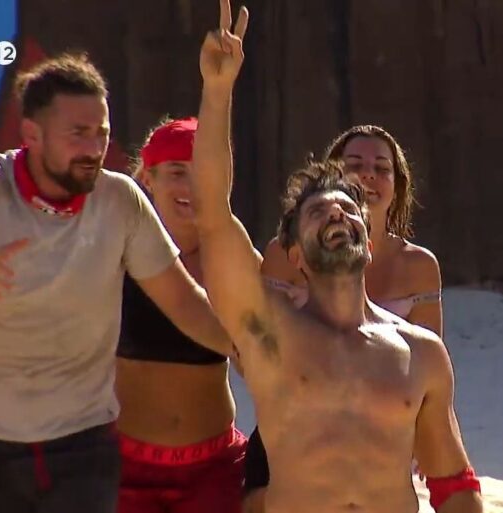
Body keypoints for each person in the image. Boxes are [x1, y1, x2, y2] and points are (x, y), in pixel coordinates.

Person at [191, 3, 482, 512]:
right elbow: (213, 215)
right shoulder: (269, 331)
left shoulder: (421, 353)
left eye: (349, 210)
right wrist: (217, 92)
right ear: (295, 255)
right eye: (317, 213)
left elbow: (452, 481)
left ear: (369, 244)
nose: (337, 214)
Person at [0, 53, 233, 513]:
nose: (95, 148)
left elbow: (186, 305)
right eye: (78, 133)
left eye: (102, 132)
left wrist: (258, 350)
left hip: (81, 447)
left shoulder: (119, 200)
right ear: (32, 135)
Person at [244, 124, 443, 512]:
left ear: (398, 185)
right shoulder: (287, 251)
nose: (368, 175)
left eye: (381, 168)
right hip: (296, 429)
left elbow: (429, 368)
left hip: (383, 422)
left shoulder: (418, 265)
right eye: (355, 164)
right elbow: (253, 344)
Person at [115, 117, 252, 513]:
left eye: (202, 174)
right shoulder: (115, 253)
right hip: (126, 469)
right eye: (177, 172)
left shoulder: (234, 259)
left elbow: (269, 359)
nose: (191, 187)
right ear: (148, 177)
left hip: (214, 469)